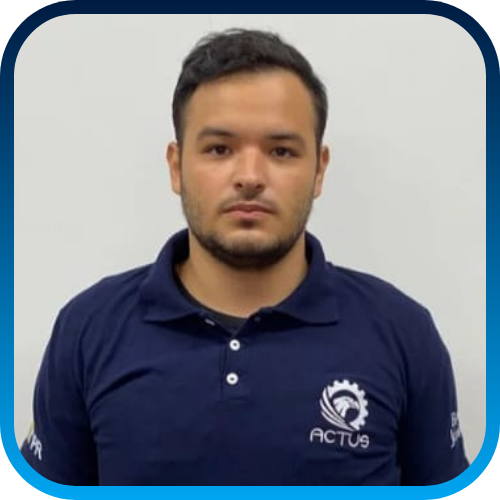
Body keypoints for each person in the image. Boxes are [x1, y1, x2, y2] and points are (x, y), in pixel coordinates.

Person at [20, 28, 469, 486]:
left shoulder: (402, 332)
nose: (250, 176)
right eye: (219, 149)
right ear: (176, 166)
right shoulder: (88, 329)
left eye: (281, 151)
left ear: (319, 170)